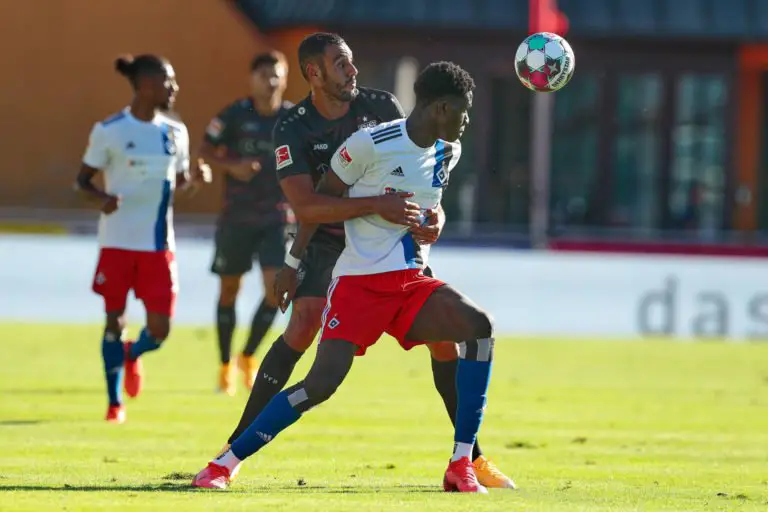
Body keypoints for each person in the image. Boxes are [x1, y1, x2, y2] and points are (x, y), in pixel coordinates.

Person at [198, 32, 514, 489]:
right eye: (341, 64)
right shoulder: (303, 128)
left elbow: (426, 190)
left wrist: (436, 220)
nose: (353, 71)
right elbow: (310, 205)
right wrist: (294, 262)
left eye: (351, 62)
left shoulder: (398, 116)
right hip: (338, 251)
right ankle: (229, 455)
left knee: (463, 334)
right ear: (314, 73)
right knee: (310, 350)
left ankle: (467, 460)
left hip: (402, 270)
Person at [76, 54, 209, 424]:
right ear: (148, 85)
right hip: (117, 243)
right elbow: (81, 181)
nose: (175, 88)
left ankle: (132, 353)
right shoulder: (109, 130)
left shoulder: (175, 132)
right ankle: (114, 403)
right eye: (170, 81)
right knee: (113, 321)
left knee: (161, 330)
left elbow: (178, 184)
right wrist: (101, 199)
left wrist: (195, 180)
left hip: (158, 246)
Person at [199, 51, 293, 395]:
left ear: (285, 79)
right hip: (237, 217)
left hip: (277, 217)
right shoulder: (234, 115)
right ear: (252, 79)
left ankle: (248, 355)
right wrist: (232, 166)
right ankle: (224, 364)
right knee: (229, 290)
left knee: (275, 292)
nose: (271, 81)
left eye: (276, 75)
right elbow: (205, 149)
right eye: (264, 75)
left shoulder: (294, 119)